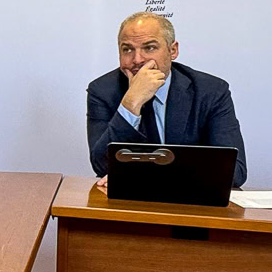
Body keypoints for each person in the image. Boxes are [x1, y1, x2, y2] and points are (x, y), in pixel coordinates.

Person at [86, 11, 247, 187]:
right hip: (130, 205)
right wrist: (131, 103)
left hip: (192, 203)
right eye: (127, 49)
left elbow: (235, 172)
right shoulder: (102, 91)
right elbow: (102, 165)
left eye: (149, 48)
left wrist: (146, 176)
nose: (137, 59)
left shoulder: (211, 91)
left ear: (173, 50)